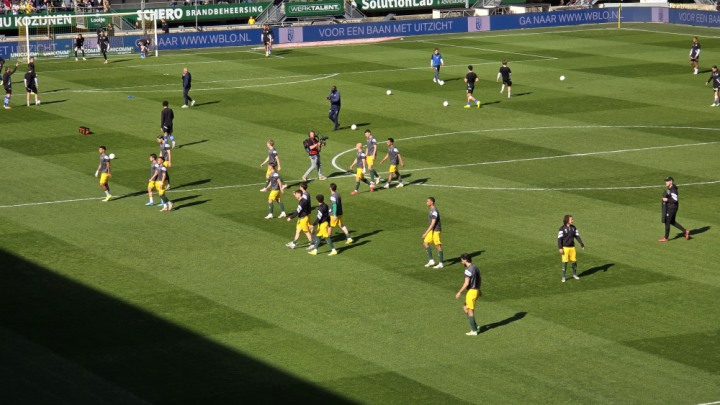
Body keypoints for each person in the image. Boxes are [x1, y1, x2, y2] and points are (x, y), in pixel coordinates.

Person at [456, 253, 482, 336]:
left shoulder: (468, 270)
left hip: (471, 292)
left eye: (462, 260)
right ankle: (475, 326)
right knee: (465, 307)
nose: (461, 262)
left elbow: (466, 283)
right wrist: (478, 289)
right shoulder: (475, 267)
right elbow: (479, 279)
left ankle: (474, 331)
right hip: (476, 291)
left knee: (470, 310)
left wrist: (459, 292)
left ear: (465, 260)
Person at [660, 176, 690, 242]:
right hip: (672, 207)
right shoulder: (670, 188)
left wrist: (667, 199)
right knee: (672, 221)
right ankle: (685, 232)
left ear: (671, 181)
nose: (666, 182)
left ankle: (666, 238)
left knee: (667, 222)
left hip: (672, 208)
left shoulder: (673, 189)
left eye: (667, 181)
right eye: (666, 181)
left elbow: (675, 200)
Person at [558, 214, 585, 282]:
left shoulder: (574, 228)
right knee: (565, 262)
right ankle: (563, 277)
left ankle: (574, 274)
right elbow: (559, 239)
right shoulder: (562, 229)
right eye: (571, 219)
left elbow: (577, 236)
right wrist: (560, 248)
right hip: (565, 248)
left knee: (574, 261)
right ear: (567, 220)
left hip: (572, 248)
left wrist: (581, 244)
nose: (573, 220)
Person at [422, 197, 443, 269]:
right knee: (425, 243)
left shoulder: (434, 211)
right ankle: (431, 261)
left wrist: (425, 233)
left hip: (436, 230)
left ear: (432, 202)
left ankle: (441, 263)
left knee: (437, 246)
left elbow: (433, 224)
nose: (426, 202)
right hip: (432, 230)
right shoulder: (431, 210)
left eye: (428, 201)